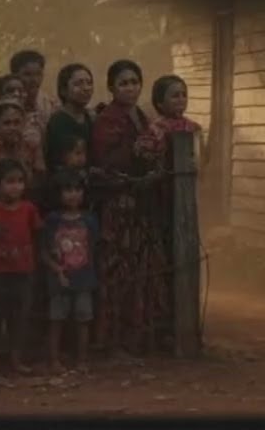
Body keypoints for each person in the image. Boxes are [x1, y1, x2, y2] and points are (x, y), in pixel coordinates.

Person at [91, 59, 170, 356]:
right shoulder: (107, 119)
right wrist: (138, 156)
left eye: (135, 82)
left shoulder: (142, 115)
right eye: (124, 83)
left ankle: (140, 337)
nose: (130, 87)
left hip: (142, 205)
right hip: (118, 204)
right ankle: (112, 341)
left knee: (143, 270)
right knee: (117, 272)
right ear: (112, 87)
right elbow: (108, 160)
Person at [0, 158, 43, 375]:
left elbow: (37, 234)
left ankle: (15, 359)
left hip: (23, 271)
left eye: (20, 181)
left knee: (19, 317)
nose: (16, 186)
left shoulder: (29, 209)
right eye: (10, 181)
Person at [42, 170, 99, 374]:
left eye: (77, 190)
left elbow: (93, 248)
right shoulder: (52, 220)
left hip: (84, 278)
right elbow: (44, 250)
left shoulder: (90, 220)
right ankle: (54, 360)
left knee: (83, 319)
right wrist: (57, 270)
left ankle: (82, 359)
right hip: (58, 279)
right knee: (56, 319)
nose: (73, 195)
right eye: (68, 190)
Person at [45, 64, 96, 170]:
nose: (86, 88)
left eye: (89, 83)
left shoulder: (89, 117)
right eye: (78, 84)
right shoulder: (58, 122)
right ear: (63, 90)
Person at [11, 50, 59, 149]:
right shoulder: (7, 105)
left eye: (38, 74)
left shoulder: (51, 105)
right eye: (27, 74)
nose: (34, 80)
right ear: (15, 76)